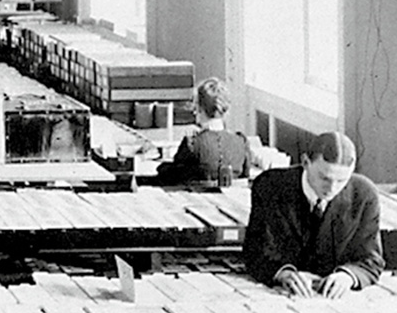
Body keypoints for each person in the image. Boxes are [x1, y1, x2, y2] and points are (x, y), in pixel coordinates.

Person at [243, 129, 383, 298]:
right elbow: (254, 251)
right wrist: (283, 273)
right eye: (324, 178)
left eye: (341, 181)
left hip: (335, 300)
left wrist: (347, 276)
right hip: (281, 297)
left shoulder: (364, 195)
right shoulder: (270, 186)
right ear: (305, 162)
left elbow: (372, 260)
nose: (332, 188)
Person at [160, 78, 254, 186]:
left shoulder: (192, 144)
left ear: (199, 108)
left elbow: (172, 175)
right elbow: (245, 176)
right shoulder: (241, 142)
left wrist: (162, 166)